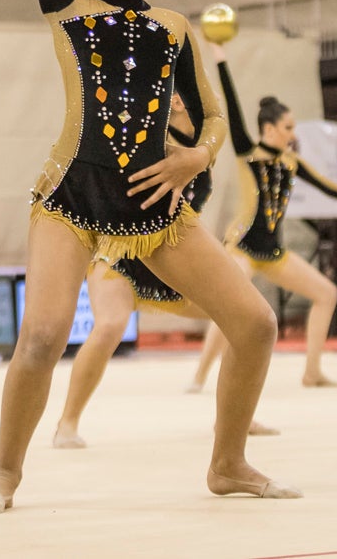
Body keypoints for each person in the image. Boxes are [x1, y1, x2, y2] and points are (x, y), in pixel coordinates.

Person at [0, 0, 302, 513]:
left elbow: (212, 118)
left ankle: (228, 462)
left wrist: (196, 155)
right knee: (44, 336)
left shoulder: (175, 29)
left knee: (254, 323)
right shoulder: (70, 8)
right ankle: (5, 473)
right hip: (73, 196)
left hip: (155, 206)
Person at [53, 93, 278, 449]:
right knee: (111, 324)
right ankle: (67, 422)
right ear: (176, 101)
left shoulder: (202, 147)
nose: (208, 102)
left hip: (167, 258)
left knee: (242, 318)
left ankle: (234, 419)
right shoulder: (152, 138)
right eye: (199, 96)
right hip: (121, 253)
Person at [187, 42, 337, 394]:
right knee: (230, 307)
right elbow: (233, 109)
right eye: (288, 127)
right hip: (242, 248)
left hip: (273, 252)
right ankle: (199, 377)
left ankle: (312, 371)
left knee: (326, 293)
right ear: (269, 130)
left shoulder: (291, 163)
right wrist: (222, 58)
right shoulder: (248, 155)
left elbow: (328, 186)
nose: (293, 133)